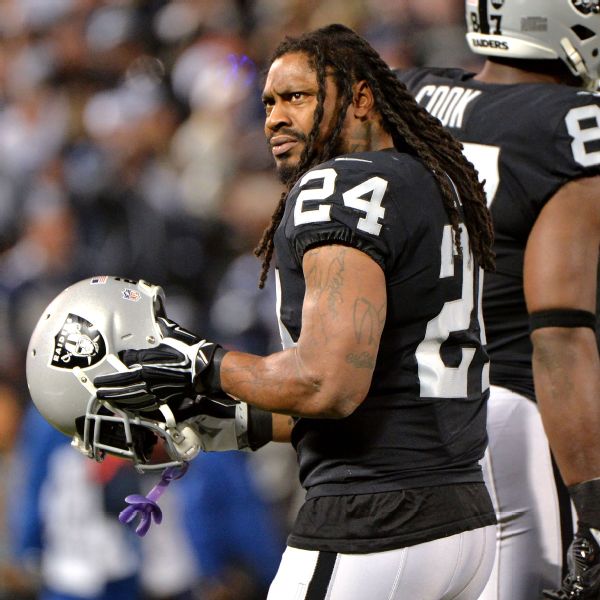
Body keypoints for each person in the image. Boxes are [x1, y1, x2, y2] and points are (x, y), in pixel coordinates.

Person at [90, 23, 498, 599]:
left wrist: (200, 364)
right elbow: (375, 388)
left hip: (373, 522)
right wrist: (226, 420)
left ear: (361, 98)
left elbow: (328, 384)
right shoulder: (435, 183)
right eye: (268, 103)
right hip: (464, 523)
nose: (275, 119)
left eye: (297, 97)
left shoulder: (340, 186)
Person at [397, 2, 600, 599]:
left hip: (403, 417)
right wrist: (595, 511)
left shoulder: (414, 95)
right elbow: (560, 335)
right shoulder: (571, 123)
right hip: (515, 415)